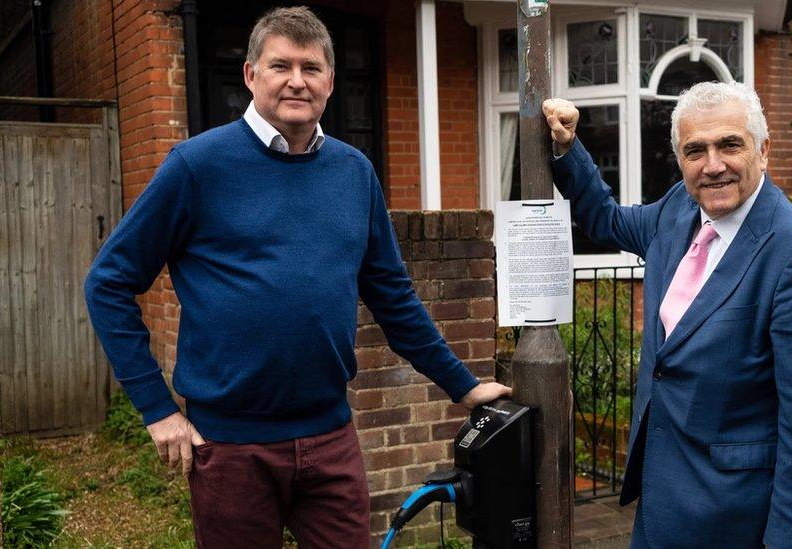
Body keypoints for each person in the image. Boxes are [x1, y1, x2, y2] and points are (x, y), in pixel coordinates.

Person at [84, 7, 510, 548]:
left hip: (330, 436)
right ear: (250, 75)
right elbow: (108, 282)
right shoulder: (197, 166)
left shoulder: (354, 172)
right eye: (279, 65)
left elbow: (392, 294)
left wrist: (463, 385)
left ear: (331, 81)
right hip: (230, 444)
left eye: (311, 67)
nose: (296, 80)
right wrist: (158, 410)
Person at [543, 82, 792, 548]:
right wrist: (568, 147)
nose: (713, 165)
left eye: (730, 145)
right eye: (695, 150)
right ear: (680, 159)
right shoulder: (677, 211)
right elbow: (606, 219)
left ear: (763, 150)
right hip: (661, 507)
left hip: (739, 520)